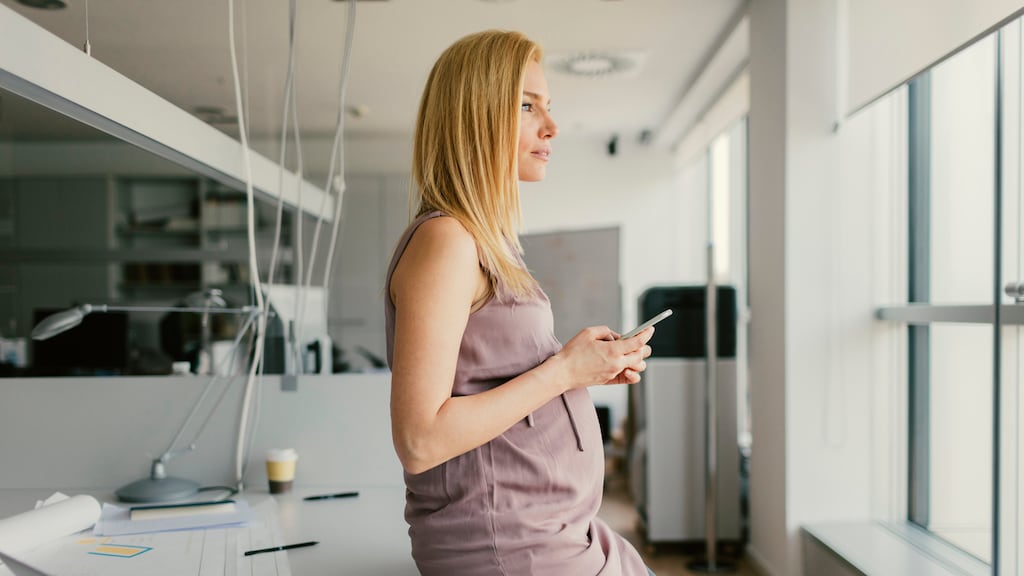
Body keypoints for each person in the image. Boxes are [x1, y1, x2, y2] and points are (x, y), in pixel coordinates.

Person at [384, 29, 655, 575]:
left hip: (553, 530)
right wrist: (565, 371)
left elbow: (495, 378)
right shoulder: (446, 241)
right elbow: (420, 439)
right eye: (527, 106)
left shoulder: (485, 241)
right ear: (474, 117)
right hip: (510, 546)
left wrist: (583, 372)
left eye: (548, 106)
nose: (551, 126)